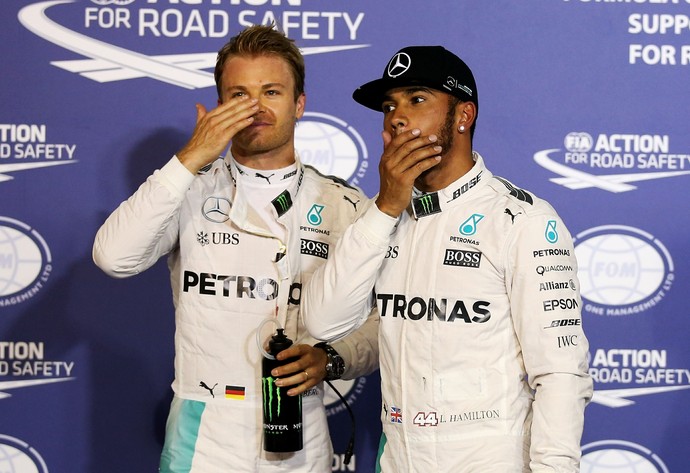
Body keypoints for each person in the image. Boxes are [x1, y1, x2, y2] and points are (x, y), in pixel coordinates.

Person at [92, 24, 378, 473]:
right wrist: (191, 157)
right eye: (239, 95)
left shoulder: (345, 206)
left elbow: (385, 320)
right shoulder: (186, 188)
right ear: (219, 106)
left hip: (300, 427)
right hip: (203, 430)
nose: (256, 108)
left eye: (272, 92)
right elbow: (113, 257)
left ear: (299, 104)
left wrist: (333, 359)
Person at [302, 46, 593, 472]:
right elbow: (324, 322)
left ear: (463, 115)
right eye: (389, 106)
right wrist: (384, 208)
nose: (397, 117)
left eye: (417, 100)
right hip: (400, 458)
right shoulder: (380, 216)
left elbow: (561, 373)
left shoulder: (521, 220)